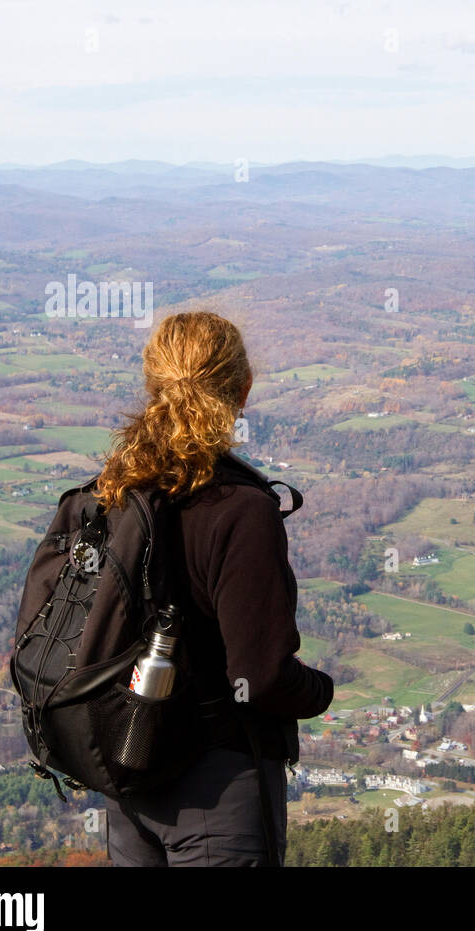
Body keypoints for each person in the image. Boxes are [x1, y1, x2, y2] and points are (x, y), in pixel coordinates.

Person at [93, 311, 333, 866]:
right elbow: (261, 677)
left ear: (152, 386)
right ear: (243, 390)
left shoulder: (119, 487)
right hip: (217, 788)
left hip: (128, 773)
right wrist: (320, 691)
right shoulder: (240, 511)